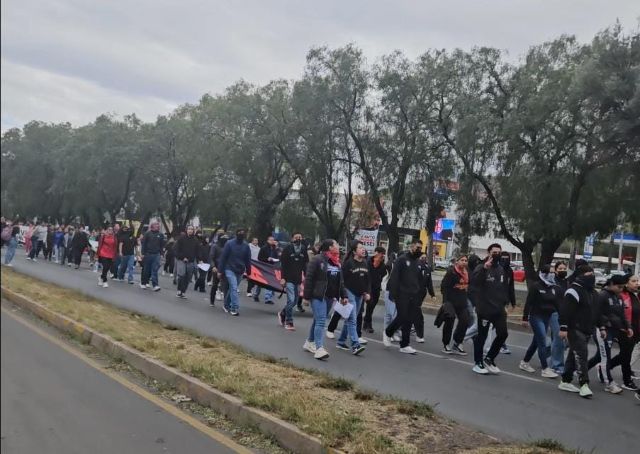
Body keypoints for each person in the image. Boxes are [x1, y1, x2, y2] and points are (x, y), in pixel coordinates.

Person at [302, 239, 348, 360]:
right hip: (318, 295)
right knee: (321, 320)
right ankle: (319, 348)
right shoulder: (317, 259)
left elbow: (341, 282)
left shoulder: (337, 262)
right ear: (330, 248)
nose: (338, 246)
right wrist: (306, 297)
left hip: (329, 297)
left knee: (318, 320)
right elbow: (309, 278)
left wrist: (344, 296)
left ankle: (309, 342)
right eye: (336, 244)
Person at [558, 265, 598, 398]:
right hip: (575, 328)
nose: (591, 276)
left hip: (587, 329)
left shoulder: (592, 292)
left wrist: (600, 326)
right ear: (580, 275)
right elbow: (565, 311)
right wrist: (563, 328)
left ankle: (565, 380)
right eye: (588, 274)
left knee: (573, 355)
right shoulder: (573, 291)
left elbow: (596, 311)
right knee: (582, 355)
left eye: (592, 274)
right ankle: (584, 384)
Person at [471, 243, 510, 375]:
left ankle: (489, 358)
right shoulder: (481, 267)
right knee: (482, 337)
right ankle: (478, 363)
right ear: (488, 253)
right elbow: (475, 283)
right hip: (485, 309)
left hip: (498, 310)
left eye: (499, 252)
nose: (497, 254)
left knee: (503, 334)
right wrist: (484, 269)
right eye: (494, 252)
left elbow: (503, 288)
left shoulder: (501, 269)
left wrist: (505, 305)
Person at [587, 275, 630, 394]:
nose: (621, 289)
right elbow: (597, 313)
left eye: (622, 287)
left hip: (613, 330)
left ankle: (582, 369)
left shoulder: (618, 297)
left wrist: (628, 327)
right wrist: (602, 327)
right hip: (602, 330)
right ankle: (609, 383)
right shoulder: (602, 296)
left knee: (599, 356)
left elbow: (622, 314)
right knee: (606, 356)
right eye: (619, 286)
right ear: (611, 284)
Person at [518, 264, 561, 378]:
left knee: (536, 342)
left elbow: (557, 305)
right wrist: (525, 318)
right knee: (542, 339)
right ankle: (545, 368)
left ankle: (525, 362)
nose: (552, 275)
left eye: (553, 272)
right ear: (544, 274)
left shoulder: (553, 288)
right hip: (536, 317)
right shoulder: (536, 286)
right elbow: (529, 303)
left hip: (547, 317)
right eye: (550, 272)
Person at [384, 239, 424, 355]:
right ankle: (388, 332)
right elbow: (395, 277)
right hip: (402, 294)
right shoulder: (402, 260)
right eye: (417, 247)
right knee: (402, 316)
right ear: (411, 247)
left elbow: (419, 280)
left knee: (409, 319)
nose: (419, 250)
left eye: (421, 248)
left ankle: (404, 345)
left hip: (413, 294)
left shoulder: (417, 262)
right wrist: (393, 293)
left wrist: (419, 293)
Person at [330, 241, 368, 355]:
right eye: (360, 247)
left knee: (350, 318)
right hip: (349, 292)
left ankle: (341, 341)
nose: (363, 249)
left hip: (360, 294)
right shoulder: (348, 264)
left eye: (363, 247)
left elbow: (368, 280)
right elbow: (341, 280)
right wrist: (342, 295)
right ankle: (355, 345)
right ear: (354, 251)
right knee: (352, 319)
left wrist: (367, 292)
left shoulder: (365, 263)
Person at [611, 274, 639, 391]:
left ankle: (605, 367)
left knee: (623, 355)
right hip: (624, 330)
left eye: (638, 281)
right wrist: (623, 327)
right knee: (626, 356)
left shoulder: (635, 296)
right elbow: (618, 314)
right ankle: (627, 381)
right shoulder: (622, 295)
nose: (637, 283)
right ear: (626, 283)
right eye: (634, 281)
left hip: (635, 331)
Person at [439, 253, 471, 355]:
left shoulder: (467, 272)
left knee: (465, 321)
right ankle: (446, 344)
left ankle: (457, 343)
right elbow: (443, 287)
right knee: (450, 321)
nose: (464, 262)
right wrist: (445, 302)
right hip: (451, 301)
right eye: (462, 260)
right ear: (457, 261)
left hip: (462, 301)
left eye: (466, 260)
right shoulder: (451, 272)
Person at [278, 232, 308, 331]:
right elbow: (283, 264)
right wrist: (282, 278)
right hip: (288, 278)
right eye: (296, 237)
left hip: (298, 279)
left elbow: (305, 264)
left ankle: (283, 313)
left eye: (300, 237)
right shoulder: (287, 249)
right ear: (292, 239)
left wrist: (307, 275)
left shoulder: (303, 249)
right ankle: (289, 322)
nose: (298, 239)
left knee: (295, 301)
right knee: (290, 300)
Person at [218, 228, 251, 316]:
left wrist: (249, 272)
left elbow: (248, 260)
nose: (241, 234)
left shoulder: (246, 246)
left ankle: (226, 305)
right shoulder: (229, 244)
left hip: (240, 270)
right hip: (229, 268)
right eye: (239, 233)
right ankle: (234, 308)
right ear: (236, 234)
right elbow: (223, 257)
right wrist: (220, 270)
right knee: (234, 287)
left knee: (232, 289)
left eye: (243, 233)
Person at [549, 260, 569, 373]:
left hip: (565, 313)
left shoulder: (567, 282)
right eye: (560, 269)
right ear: (555, 270)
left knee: (565, 341)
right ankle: (557, 365)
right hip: (554, 312)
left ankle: (547, 352)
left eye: (564, 269)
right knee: (559, 338)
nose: (562, 271)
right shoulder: (552, 282)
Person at [363, 246, 387, 333]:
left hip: (376, 289)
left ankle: (366, 323)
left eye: (383, 254)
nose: (382, 256)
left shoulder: (383, 265)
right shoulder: (367, 261)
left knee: (371, 307)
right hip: (367, 288)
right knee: (369, 304)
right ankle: (367, 324)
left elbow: (384, 275)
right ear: (376, 252)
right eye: (381, 253)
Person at [174, 226, 199, 299]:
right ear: (186, 230)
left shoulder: (195, 240)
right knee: (181, 275)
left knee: (188, 277)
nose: (190, 231)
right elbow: (176, 249)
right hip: (181, 260)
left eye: (192, 229)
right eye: (189, 229)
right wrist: (182, 257)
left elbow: (197, 251)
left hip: (191, 261)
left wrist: (199, 259)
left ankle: (183, 291)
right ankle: (179, 290)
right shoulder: (181, 238)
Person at [140, 220, 164, 291]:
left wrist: (162, 254)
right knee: (146, 270)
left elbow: (161, 246)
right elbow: (143, 244)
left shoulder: (161, 234)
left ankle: (155, 285)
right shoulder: (147, 233)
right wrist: (143, 254)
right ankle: (143, 283)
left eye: (158, 224)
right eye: (156, 224)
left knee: (154, 270)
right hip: (148, 254)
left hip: (156, 255)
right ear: (152, 225)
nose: (157, 225)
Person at [256, 236, 279, 304]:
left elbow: (276, 257)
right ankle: (256, 294)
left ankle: (268, 298)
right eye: (271, 240)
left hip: (271, 267)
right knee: (261, 282)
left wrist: (275, 260)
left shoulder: (274, 249)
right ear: (268, 240)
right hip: (264, 267)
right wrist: (267, 259)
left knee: (270, 282)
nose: (272, 241)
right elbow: (259, 258)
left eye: (273, 240)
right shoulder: (264, 248)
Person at [209, 234, 228, 306]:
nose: (225, 240)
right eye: (224, 238)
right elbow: (211, 257)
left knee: (225, 285)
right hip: (216, 268)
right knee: (214, 284)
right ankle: (212, 301)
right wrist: (213, 266)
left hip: (225, 268)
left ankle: (226, 303)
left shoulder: (227, 247)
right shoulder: (215, 246)